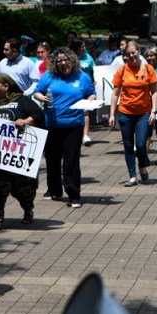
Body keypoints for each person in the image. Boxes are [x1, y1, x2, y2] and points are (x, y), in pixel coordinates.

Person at [33, 46, 97, 208]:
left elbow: (91, 93)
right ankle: (54, 190)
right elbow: (36, 92)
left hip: (74, 126)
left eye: (65, 60)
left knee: (71, 162)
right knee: (52, 160)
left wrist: (91, 99)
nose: (63, 63)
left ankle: (74, 195)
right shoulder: (49, 75)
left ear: (72, 60)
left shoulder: (82, 77)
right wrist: (42, 99)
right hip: (52, 125)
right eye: (59, 61)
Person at [0, 73, 43, 231]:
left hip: (18, 157)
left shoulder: (21, 100)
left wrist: (26, 121)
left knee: (23, 190)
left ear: (6, 86)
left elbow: (38, 115)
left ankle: (28, 209)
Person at [108, 41, 157, 186]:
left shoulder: (148, 69)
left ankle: (142, 167)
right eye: (128, 54)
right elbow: (115, 93)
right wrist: (112, 114)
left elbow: (154, 92)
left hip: (143, 113)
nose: (131, 56)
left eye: (133, 52)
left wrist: (154, 111)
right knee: (128, 145)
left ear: (139, 52)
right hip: (125, 112)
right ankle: (132, 176)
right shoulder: (122, 70)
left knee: (141, 145)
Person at [70, 39, 96, 147]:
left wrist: (95, 81)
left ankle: (85, 135)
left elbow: (94, 70)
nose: (84, 49)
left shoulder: (88, 57)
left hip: (86, 86)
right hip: (73, 87)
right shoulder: (69, 57)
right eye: (82, 47)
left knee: (86, 111)